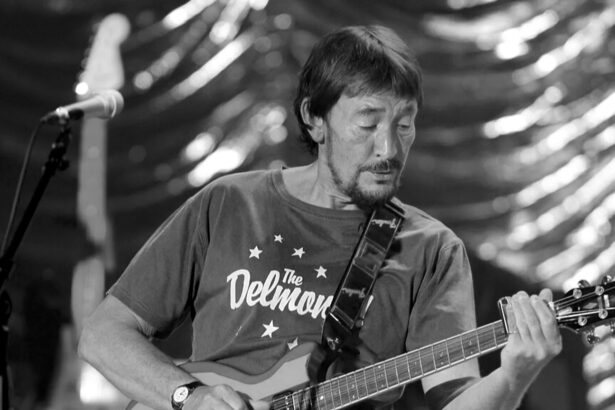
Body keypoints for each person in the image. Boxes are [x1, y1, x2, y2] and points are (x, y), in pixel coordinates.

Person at [78, 25, 562, 410]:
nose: (388, 148)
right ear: (314, 118)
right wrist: (190, 397)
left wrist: (516, 373)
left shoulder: (432, 249)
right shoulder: (229, 203)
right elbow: (103, 334)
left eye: (404, 124)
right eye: (368, 123)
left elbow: (456, 402)